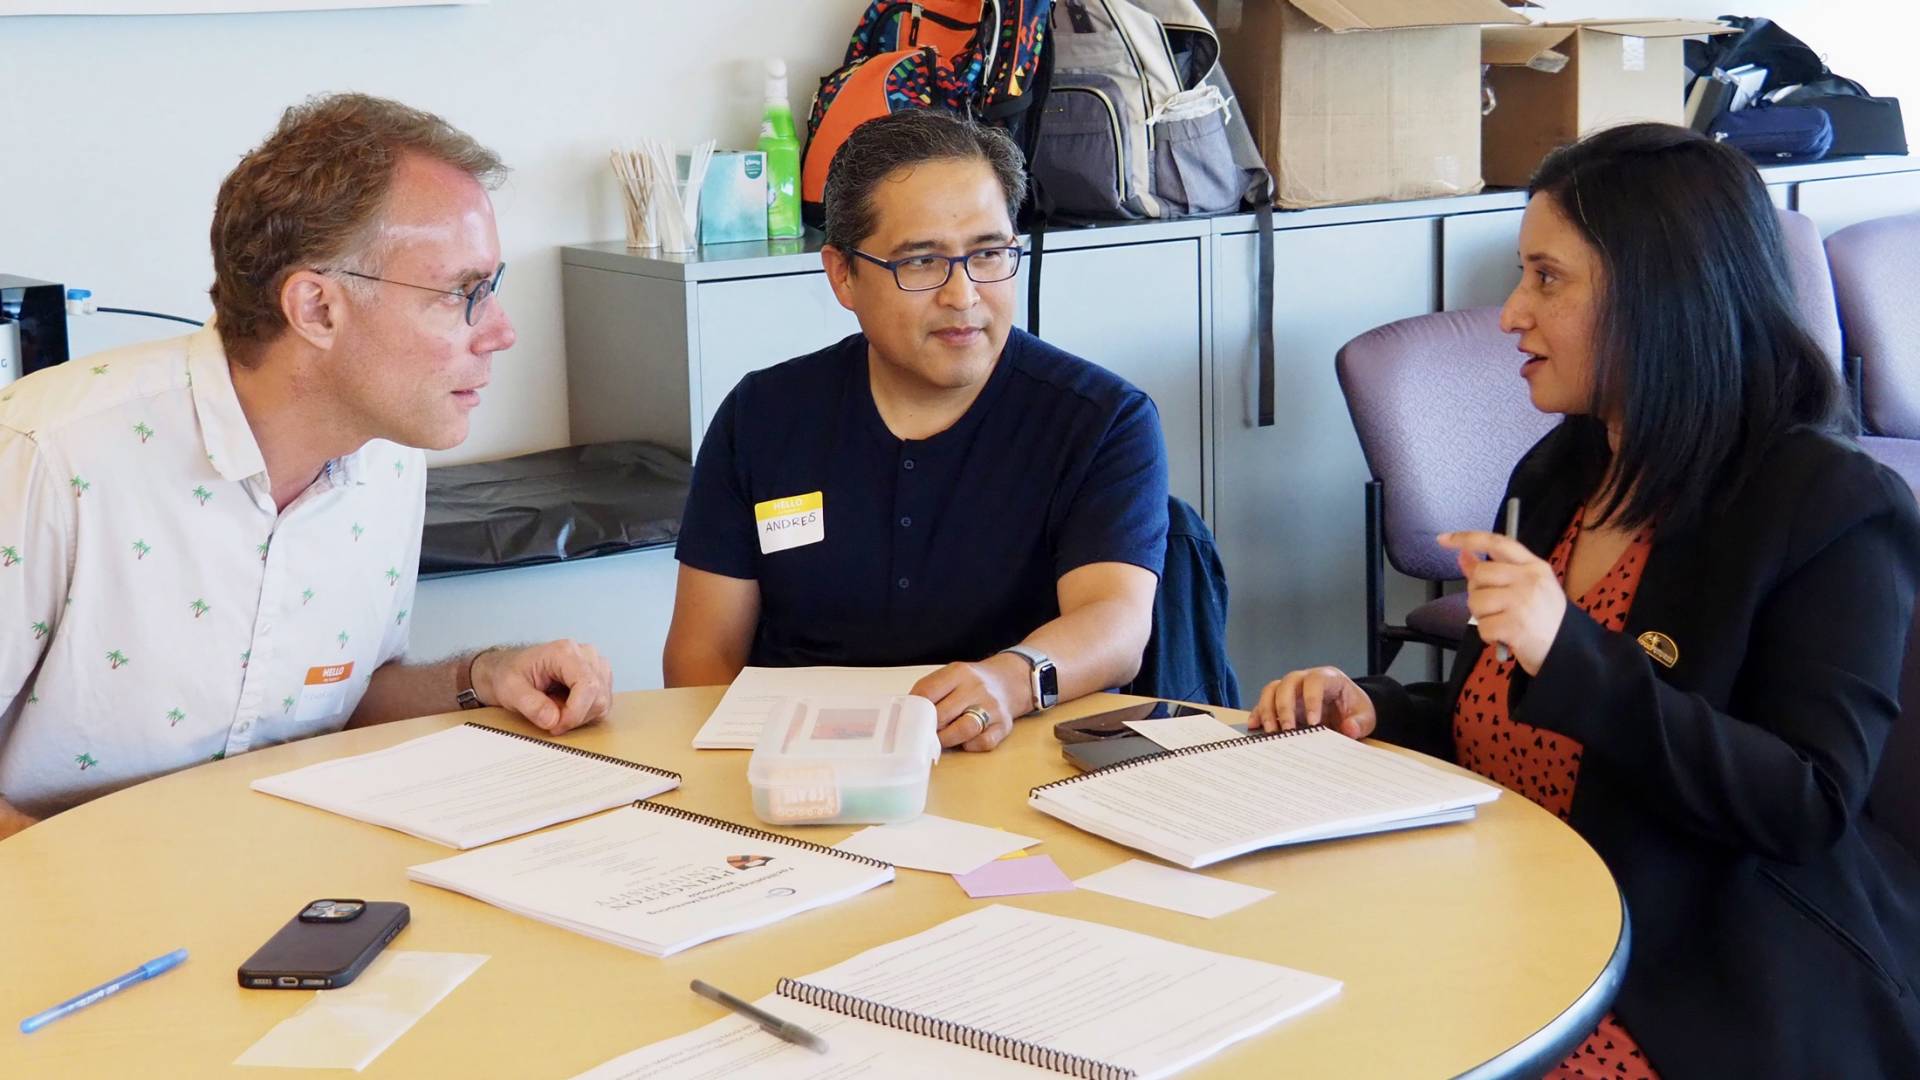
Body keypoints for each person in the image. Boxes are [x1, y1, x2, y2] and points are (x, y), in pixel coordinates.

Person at [1250, 123, 1920, 1076]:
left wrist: (1572, 652)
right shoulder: (1566, 465)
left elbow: (1803, 803)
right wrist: (1381, 707)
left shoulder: (1827, 505)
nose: (1511, 313)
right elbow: (1523, 721)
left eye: (1548, 279)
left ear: (1662, 295)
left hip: (1688, 978)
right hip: (1520, 914)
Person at [0, 94, 613, 839]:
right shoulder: (49, 453)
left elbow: (338, 701)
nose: (502, 332)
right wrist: (102, 897)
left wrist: (482, 675)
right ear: (317, 308)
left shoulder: (385, 456)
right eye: (463, 292)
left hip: (276, 886)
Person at [664, 109, 1169, 752]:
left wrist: (1010, 680)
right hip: (800, 770)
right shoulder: (764, 415)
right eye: (923, 262)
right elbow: (700, 658)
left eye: (989, 254)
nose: (963, 296)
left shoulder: (1100, 419)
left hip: (1015, 757)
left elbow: (1117, 625)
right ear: (842, 275)